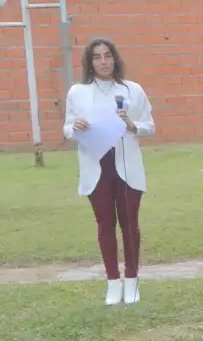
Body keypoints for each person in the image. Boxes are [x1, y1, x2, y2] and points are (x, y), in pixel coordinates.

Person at [62, 38, 155, 307]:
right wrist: (75, 127)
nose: (103, 61)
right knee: (105, 224)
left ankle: (132, 280)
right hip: (96, 167)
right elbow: (67, 129)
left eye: (107, 55)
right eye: (97, 57)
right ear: (89, 63)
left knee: (129, 224)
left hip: (127, 166)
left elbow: (150, 125)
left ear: (115, 58)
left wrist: (133, 125)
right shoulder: (78, 92)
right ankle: (113, 282)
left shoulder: (132, 90)